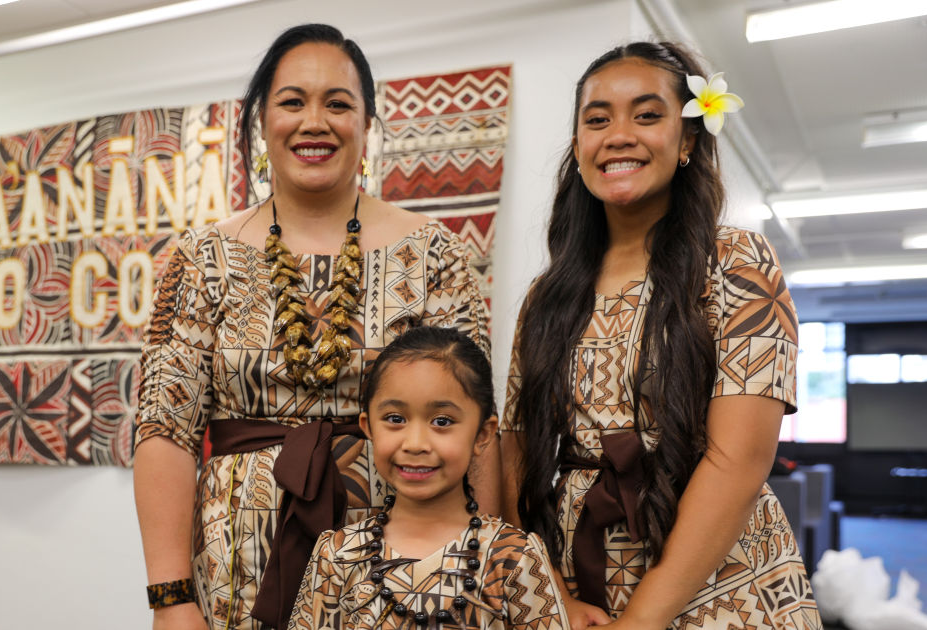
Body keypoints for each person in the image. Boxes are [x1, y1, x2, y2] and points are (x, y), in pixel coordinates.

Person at [134, 24, 493, 630]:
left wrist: (483, 569)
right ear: (261, 121)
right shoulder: (202, 259)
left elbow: (479, 427)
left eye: (338, 103)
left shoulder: (437, 254)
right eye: (293, 101)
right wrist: (170, 599)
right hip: (233, 578)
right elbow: (164, 430)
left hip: (406, 574)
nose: (314, 122)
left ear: (368, 124)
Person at [499, 42, 821, 630]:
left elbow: (739, 461)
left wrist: (641, 620)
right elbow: (515, 455)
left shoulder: (737, 264)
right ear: (579, 148)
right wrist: (549, 593)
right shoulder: (545, 299)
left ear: (689, 140)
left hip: (719, 582)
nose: (619, 135)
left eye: (647, 115)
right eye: (598, 119)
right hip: (576, 589)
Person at [287, 327, 568, 630]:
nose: (416, 443)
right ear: (368, 426)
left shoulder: (513, 557)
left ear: (482, 434)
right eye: (395, 419)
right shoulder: (339, 555)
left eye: (442, 421)